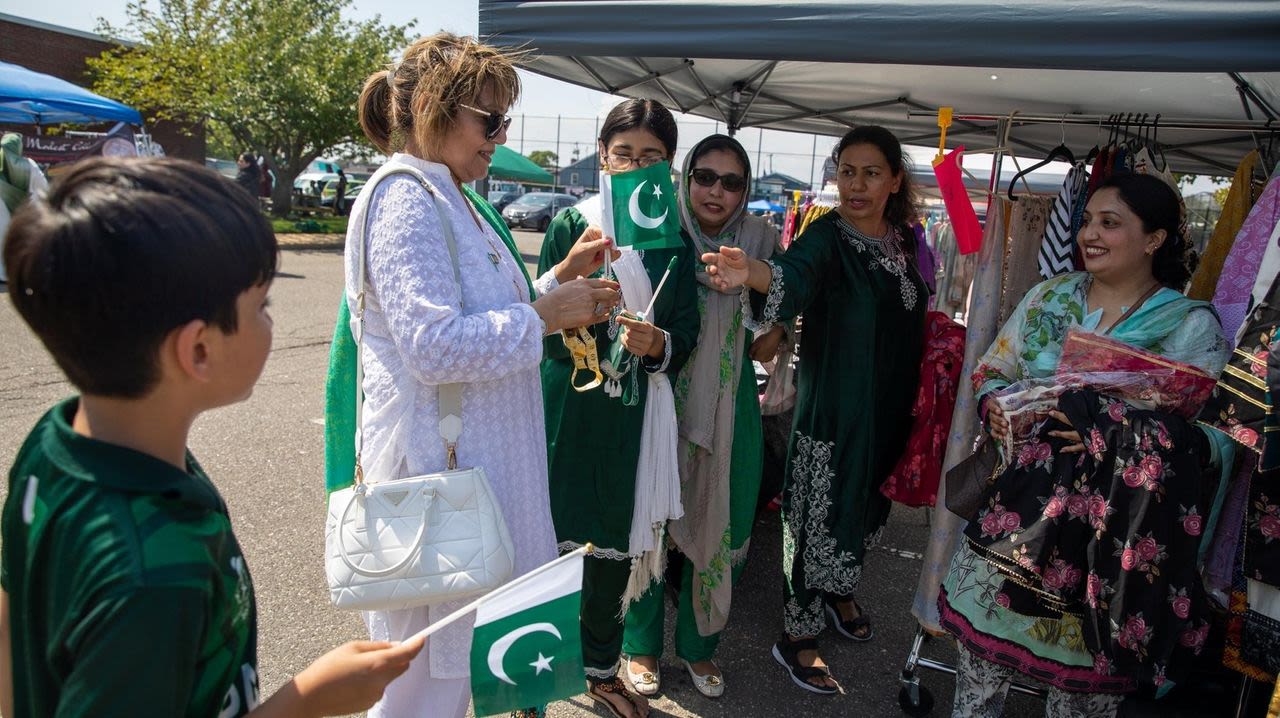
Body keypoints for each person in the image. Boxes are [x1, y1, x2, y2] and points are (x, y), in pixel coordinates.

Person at [0, 156, 421, 718]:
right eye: (260, 306)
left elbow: (10, 619)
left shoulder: (55, 441)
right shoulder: (153, 577)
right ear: (198, 350)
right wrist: (309, 699)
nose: (270, 321)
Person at [346, 33, 620, 718]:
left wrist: (558, 279)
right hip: (440, 484)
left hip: (472, 478)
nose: (501, 135)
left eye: (505, 119)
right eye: (489, 119)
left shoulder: (448, 192)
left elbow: (482, 310)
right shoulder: (408, 198)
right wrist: (547, 317)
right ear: (435, 109)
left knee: (454, 678)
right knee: (423, 691)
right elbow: (433, 347)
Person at [938, 172, 1232, 717]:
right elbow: (993, 368)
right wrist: (997, 405)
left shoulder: (1192, 329)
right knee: (978, 673)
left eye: (1110, 223)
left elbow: (1212, 445)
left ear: (1155, 239)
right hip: (1018, 518)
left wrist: (1110, 426)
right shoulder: (1050, 295)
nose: (1088, 234)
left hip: (1110, 538)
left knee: (1080, 694)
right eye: (1088, 221)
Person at [701, 125, 927, 694]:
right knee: (813, 520)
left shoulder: (905, 240)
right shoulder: (826, 237)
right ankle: (797, 637)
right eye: (846, 171)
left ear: (895, 179)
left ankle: (838, 590)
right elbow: (790, 277)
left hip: (889, 412)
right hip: (833, 412)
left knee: (867, 511)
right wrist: (748, 272)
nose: (856, 184)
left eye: (871, 172)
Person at [537, 98, 699, 718]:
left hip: (633, 418)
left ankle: (602, 672)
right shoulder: (570, 228)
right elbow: (532, 320)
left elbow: (684, 331)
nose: (635, 164)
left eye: (651, 156)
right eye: (623, 153)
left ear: (669, 167)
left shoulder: (675, 244)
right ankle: (533, 679)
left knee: (612, 543)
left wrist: (659, 343)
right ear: (603, 157)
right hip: (564, 413)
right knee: (548, 544)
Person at [620, 134, 787, 700]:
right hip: (661, 403)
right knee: (650, 523)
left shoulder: (763, 243)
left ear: (746, 191)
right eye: (705, 177)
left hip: (732, 407)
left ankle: (698, 648)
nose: (717, 191)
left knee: (726, 523)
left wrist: (757, 291)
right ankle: (639, 646)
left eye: (732, 181)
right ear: (686, 179)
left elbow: (770, 343)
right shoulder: (656, 231)